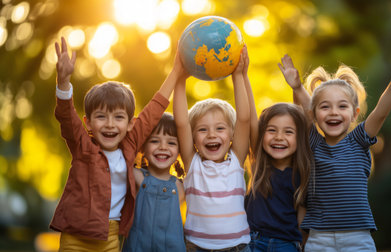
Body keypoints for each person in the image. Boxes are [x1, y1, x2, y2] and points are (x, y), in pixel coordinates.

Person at [278, 43, 391, 251]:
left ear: (354, 113)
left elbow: (381, 112)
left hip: (357, 238)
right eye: (325, 107)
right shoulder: (313, 143)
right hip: (319, 238)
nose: (333, 112)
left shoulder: (359, 140)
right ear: (314, 115)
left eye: (342, 106)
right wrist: (296, 87)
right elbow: (304, 110)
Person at [50, 37, 182, 251]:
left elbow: (154, 110)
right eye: (101, 117)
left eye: (118, 117)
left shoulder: (130, 145)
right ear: (88, 123)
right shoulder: (83, 147)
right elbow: (66, 116)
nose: (110, 124)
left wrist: (176, 71)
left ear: (131, 123)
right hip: (75, 238)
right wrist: (63, 81)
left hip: (110, 238)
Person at [173, 46, 251, 251]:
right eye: (202, 130)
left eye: (220, 128)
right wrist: (180, 78)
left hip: (238, 247)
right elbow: (181, 122)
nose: (212, 135)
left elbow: (244, 119)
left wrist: (238, 76)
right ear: (193, 138)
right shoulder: (192, 164)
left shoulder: (236, 160)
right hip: (197, 247)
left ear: (232, 135)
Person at [243, 45, 313, 251]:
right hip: (251, 242)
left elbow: (310, 120)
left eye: (288, 132)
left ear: (300, 138)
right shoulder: (259, 164)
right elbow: (248, 114)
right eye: (272, 130)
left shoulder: (300, 173)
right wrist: (243, 75)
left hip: (286, 246)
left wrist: (297, 87)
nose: (279, 137)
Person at [122, 112, 186, 252]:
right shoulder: (137, 176)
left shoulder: (181, 186)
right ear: (142, 148)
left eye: (171, 142)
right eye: (154, 141)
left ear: (180, 150)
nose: (163, 147)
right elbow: (126, 145)